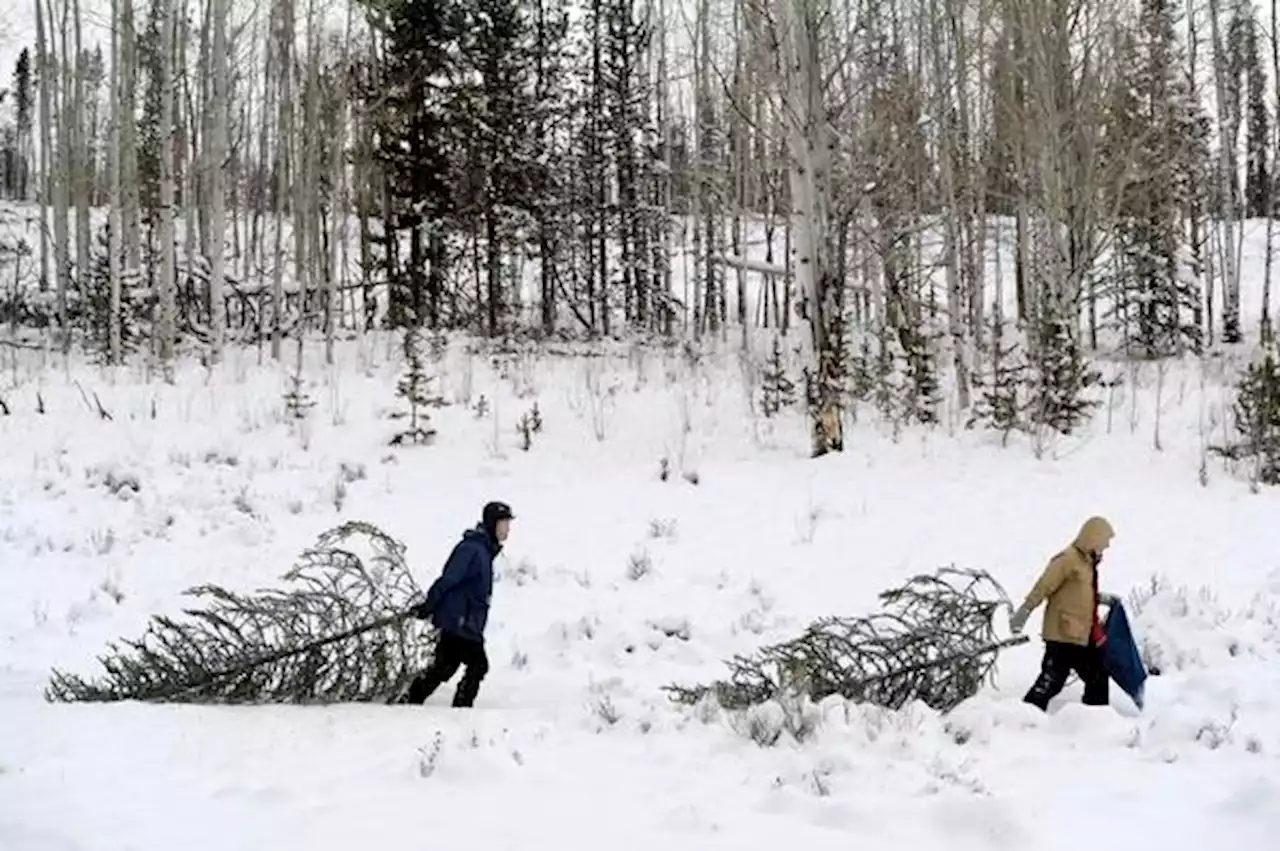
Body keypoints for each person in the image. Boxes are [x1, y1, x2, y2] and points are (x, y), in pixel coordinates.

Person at [397, 501, 514, 707]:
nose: (508, 529)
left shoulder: (484, 551)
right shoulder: (472, 550)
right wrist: (429, 605)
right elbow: (448, 580)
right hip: (460, 621)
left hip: (464, 621)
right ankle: (461, 709)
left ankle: (410, 699)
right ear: (492, 524)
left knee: (444, 666)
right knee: (478, 665)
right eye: (504, 523)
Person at [1009, 516, 1120, 711]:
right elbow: (1044, 586)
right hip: (1061, 635)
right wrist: (1025, 611)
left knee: (1097, 677)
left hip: (1080, 635)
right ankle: (1025, 716)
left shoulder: (1087, 564)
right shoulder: (1068, 559)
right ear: (1093, 538)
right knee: (1052, 681)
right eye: (1103, 543)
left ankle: (1096, 722)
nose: (1105, 549)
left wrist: (1103, 599)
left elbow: (1080, 593)